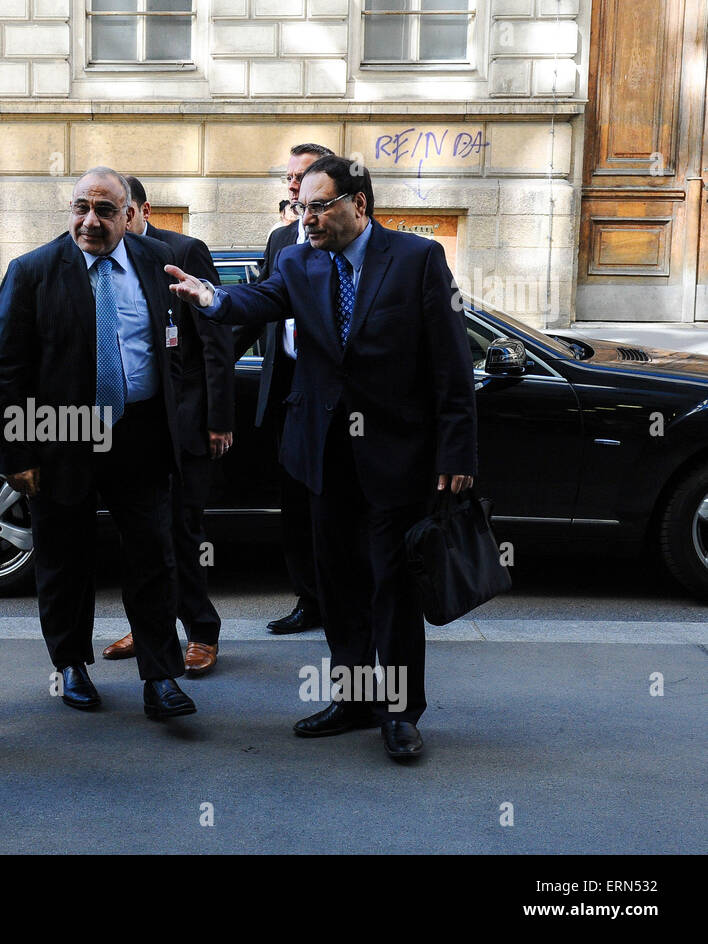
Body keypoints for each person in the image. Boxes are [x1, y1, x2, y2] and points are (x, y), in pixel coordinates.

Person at [167, 155, 477, 760]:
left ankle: (399, 711)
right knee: (339, 586)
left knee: (393, 586)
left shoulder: (417, 260)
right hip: (322, 455)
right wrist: (210, 299)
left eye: (318, 206)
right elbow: (255, 302)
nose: (305, 219)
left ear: (358, 204)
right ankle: (355, 698)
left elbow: (451, 363)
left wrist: (457, 449)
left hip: (397, 456)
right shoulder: (297, 261)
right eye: (299, 208)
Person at [0, 167, 195, 720]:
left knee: (154, 555)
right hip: (62, 436)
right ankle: (72, 664)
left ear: (129, 215)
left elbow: (181, 347)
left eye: (105, 210)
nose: (91, 221)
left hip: (141, 432)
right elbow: (8, 370)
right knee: (64, 558)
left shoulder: (156, 265)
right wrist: (20, 454)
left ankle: (160, 676)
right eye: (82, 207)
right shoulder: (32, 272)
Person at [100, 176, 233, 675]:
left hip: (187, 420)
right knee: (143, 533)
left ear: (140, 209)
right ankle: (152, 626)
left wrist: (219, 418)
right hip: (136, 424)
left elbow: (214, 338)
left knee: (182, 528)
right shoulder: (102, 258)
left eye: (121, 211)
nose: (113, 222)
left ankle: (201, 631)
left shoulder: (182, 251)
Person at [235, 143, 334, 636]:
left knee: (334, 497)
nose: (292, 185)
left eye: (303, 176)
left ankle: (343, 593)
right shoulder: (279, 240)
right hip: (287, 384)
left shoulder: (341, 239)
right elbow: (262, 306)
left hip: (332, 387)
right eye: (289, 178)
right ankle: (308, 598)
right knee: (294, 500)